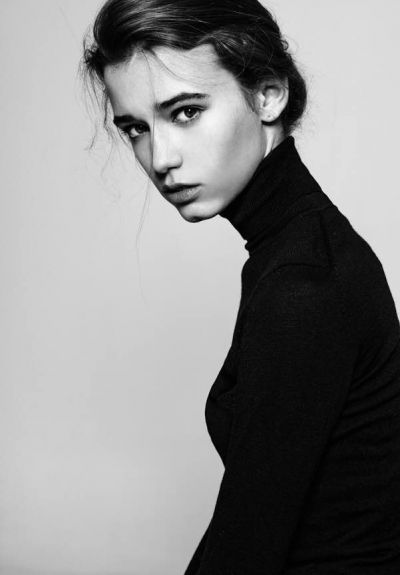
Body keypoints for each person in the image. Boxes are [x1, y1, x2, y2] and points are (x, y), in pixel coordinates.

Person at [82, 0, 400, 572]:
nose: (160, 157)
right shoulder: (297, 253)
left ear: (268, 95)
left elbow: (247, 548)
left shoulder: (305, 283)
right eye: (136, 128)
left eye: (185, 112)